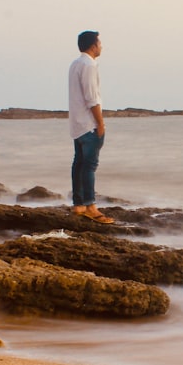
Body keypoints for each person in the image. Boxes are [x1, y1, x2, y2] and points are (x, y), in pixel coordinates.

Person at [68, 30, 114, 224]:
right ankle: (90, 206)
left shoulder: (75, 64)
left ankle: (78, 205)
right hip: (88, 124)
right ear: (93, 46)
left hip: (76, 123)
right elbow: (91, 98)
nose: (101, 46)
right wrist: (100, 123)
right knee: (89, 166)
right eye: (99, 43)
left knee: (79, 163)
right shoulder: (89, 64)